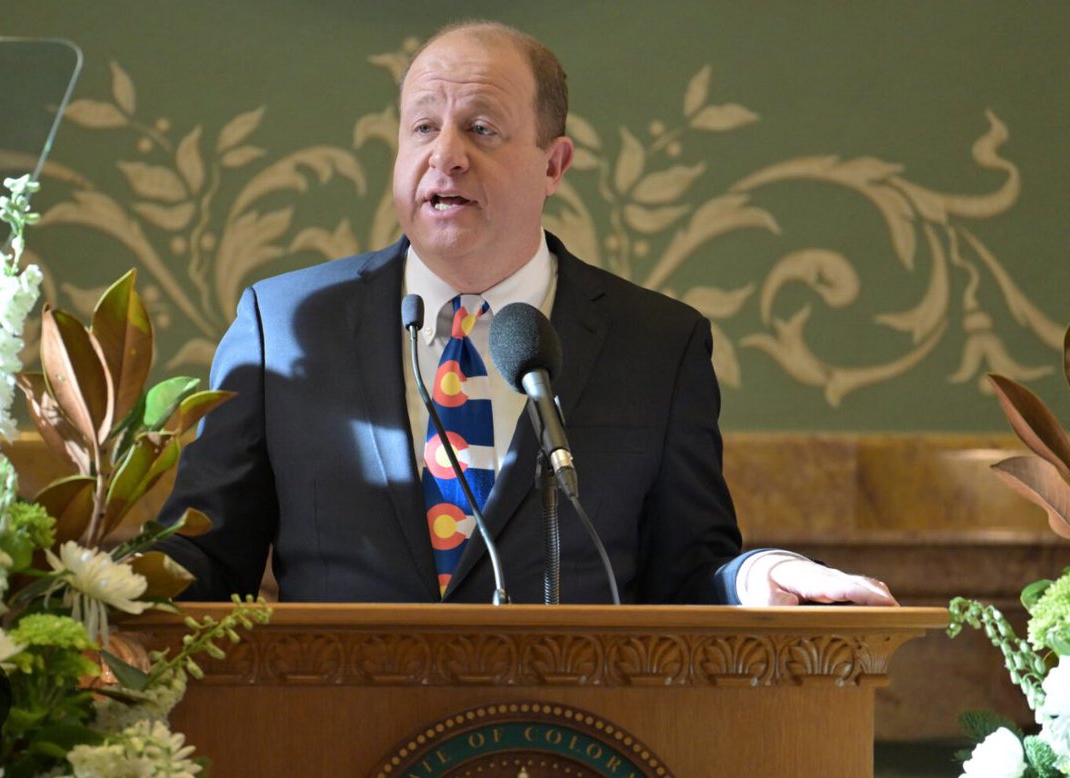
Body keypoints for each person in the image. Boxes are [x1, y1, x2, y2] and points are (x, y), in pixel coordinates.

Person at [156, 20, 896, 607]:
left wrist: (754, 576)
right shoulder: (282, 325)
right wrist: (80, 590)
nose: (444, 156)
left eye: (481, 128)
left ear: (554, 165)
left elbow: (685, 575)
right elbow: (204, 559)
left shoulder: (659, 344)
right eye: (421, 127)